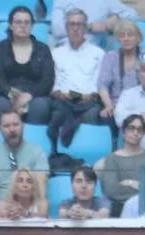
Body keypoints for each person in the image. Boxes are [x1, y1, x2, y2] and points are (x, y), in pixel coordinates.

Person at [48, 8, 105, 148]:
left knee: (92, 113)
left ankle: (86, 152)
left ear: (85, 28)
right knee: (57, 111)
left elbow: (100, 81)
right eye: (71, 24)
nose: (75, 28)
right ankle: (57, 152)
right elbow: (52, 82)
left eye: (79, 25)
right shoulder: (56, 53)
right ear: (66, 28)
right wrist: (58, 93)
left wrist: (91, 94)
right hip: (63, 99)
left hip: (88, 100)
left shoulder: (98, 53)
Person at [0, 6, 55, 126]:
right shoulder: (0, 48)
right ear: (10, 25)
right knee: (0, 105)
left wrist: (29, 96)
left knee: (41, 106)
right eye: (18, 22)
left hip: (35, 95)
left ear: (32, 26)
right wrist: (12, 96)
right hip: (6, 94)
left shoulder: (43, 49)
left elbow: (47, 80)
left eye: (27, 22)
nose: (23, 25)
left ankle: (34, 142)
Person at [0, 108, 50, 207]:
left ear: (23, 126)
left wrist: (38, 209)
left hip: (26, 208)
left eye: (16, 125)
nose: (12, 130)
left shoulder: (37, 152)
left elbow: (40, 184)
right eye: (6, 126)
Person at [97, 112, 145, 212]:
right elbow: (111, 190)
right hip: (119, 208)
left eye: (139, 129)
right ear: (123, 131)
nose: (135, 132)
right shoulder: (112, 159)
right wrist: (141, 186)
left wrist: (129, 183)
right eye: (131, 128)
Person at [97, 19, 142, 125]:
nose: (126, 39)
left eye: (130, 35)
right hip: (117, 105)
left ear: (138, 38)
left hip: (143, 104)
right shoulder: (111, 57)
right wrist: (108, 105)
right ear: (118, 39)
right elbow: (102, 85)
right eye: (122, 36)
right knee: (105, 116)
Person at [50, 0, 136, 48]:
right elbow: (57, 29)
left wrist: (116, 19)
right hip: (65, 48)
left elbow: (133, 14)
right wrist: (89, 27)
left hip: (92, 51)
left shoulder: (106, 1)